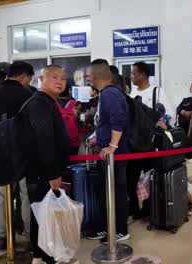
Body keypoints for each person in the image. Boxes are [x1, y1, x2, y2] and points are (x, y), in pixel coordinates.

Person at [18, 65, 72, 264]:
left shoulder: (47, 102)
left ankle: (40, 256)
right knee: (44, 216)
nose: (60, 81)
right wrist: (53, 174)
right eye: (55, 77)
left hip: (42, 171)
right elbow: (44, 140)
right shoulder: (40, 103)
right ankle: (48, 257)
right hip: (42, 172)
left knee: (42, 214)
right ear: (42, 79)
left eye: (63, 78)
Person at [0, 61, 34, 250]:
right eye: (28, 79)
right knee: (25, 193)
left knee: (1, 193)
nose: (29, 82)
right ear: (23, 77)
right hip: (22, 149)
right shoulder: (28, 95)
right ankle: (29, 234)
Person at [90, 59, 130, 243]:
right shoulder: (107, 93)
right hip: (108, 152)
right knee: (107, 192)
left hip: (115, 155)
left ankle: (120, 229)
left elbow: (119, 120)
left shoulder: (110, 94)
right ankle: (107, 227)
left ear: (93, 76)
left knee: (116, 192)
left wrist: (112, 146)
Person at [127, 61, 173, 220]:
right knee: (131, 178)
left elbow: (169, 113)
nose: (131, 76)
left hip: (150, 144)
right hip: (133, 144)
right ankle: (134, 208)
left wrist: (162, 122)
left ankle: (149, 208)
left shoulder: (156, 92)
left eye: (133, 73)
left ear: (143, 75)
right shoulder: (131, 95)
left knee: (149, 177)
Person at [57, 83, 81, 155]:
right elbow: (80, 120)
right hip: (73, 141)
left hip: (58, 140)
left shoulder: (53, 103)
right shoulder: (76, 104)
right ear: (69, 91)